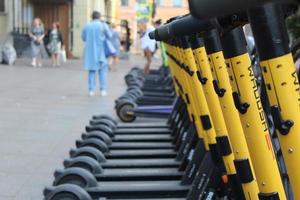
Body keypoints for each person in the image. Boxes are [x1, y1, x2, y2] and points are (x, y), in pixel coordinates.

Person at [81, 11, 112, 97]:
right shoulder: (103, 25)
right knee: (102, 72)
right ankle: (102, 90)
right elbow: (110, 35)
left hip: (90, 52)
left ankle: (91, 90)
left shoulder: (87, 26)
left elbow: (83, 38)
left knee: (91, 71)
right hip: (101, 52)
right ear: (99, 17)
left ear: (92, 17)